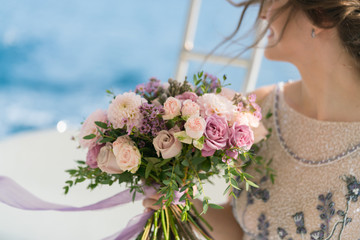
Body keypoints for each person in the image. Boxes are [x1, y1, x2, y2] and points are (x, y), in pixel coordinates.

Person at [144, 0, 360, 239]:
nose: (263, 14)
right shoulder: (259, 111)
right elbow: (241, 230)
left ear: (321, 16)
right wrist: (185, 204)